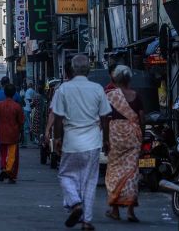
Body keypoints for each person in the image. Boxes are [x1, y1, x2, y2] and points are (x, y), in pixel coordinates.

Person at [52, 54, 112, 229]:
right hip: (93, 141)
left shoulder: (63, 89)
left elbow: (58, 117)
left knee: (65, 175)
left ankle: (75, 202)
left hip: (71, 140)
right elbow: (105, 117)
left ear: (71, 69)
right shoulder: (97, 89)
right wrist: (106, 140)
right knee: (89, 181)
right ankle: (86, 220)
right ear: (89, 70)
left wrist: (57, 139)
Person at [103, 65, 145, 223]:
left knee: (113, 172)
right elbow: (142, 118)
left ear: (115, 79)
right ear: (129, 79)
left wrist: (105, 139)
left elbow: (105, 119)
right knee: (132, 172)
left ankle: (114, 210)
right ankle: (130, 211)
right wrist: (142, 137)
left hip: (115, 136)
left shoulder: (110, 95)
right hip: (133, 137)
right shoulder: (136, 95)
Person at [0, 83, 25, 184]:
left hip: (2, 132)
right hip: (13, 133)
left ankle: (4, 168)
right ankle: (10, 173)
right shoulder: (17, 107)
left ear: (5, 93)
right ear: (14, 93)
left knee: (3, 153)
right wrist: (21, 132)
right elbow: (21, 121)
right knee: (13, 155)